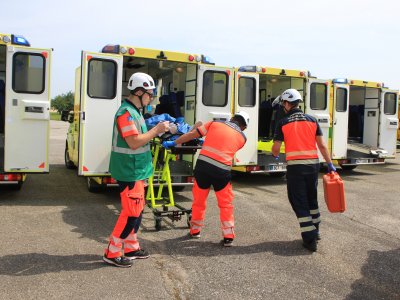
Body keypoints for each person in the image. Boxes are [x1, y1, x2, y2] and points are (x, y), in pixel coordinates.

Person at [103, 72, 170, 267]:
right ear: (139, 92)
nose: (152, 98)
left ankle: (131, 247)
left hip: (138, 171)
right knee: (131, 213)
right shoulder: (125, 113)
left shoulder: (136, 111)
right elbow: (133, 142)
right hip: (129, 171)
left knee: (137, 211)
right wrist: (156, 131)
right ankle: (112, 252)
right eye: (150, 94)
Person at [162, 112, 249, 247]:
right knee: (226, 205)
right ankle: (228, 236)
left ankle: (195, 231)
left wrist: (174, 142)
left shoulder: (214, 124)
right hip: (222, 171)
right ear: (243, 126)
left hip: (203, 168)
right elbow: (225, 145)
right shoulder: (243, 138)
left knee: (199, 202)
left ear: (232, 118)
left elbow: (191, 135)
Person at [271, 88, 336, 252]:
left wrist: (276, 155)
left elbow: (276, 148)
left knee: (298, 200)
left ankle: (310, 239)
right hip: (313, 166)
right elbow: (322, 145)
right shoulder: (312, 120)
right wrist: (330, 164)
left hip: (296, 168)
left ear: (286, 103)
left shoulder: (283, 123)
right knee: (311, 198)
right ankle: (316, 230)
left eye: (283, 104)